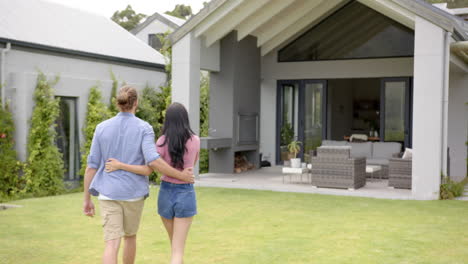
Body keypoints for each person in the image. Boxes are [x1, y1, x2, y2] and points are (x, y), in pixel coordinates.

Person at [82, 86, 195, 264]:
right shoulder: (144, 128)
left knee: (111, 244)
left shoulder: (101, 128)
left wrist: (86, 199)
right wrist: (181, 176)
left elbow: (91, 167)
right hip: (133, 194)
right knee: (130, 237)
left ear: (118, 103)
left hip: (108, 193)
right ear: (136, 103)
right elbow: (152, 162)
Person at [106, 102, 199, 264]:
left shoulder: (162, 141)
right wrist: (183, 174)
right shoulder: (195, 140)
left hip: (165, 193)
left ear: (167, 120)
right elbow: (193, 163)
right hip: (185, 193)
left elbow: (153, 165)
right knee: (177, 251)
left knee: (175, 248)